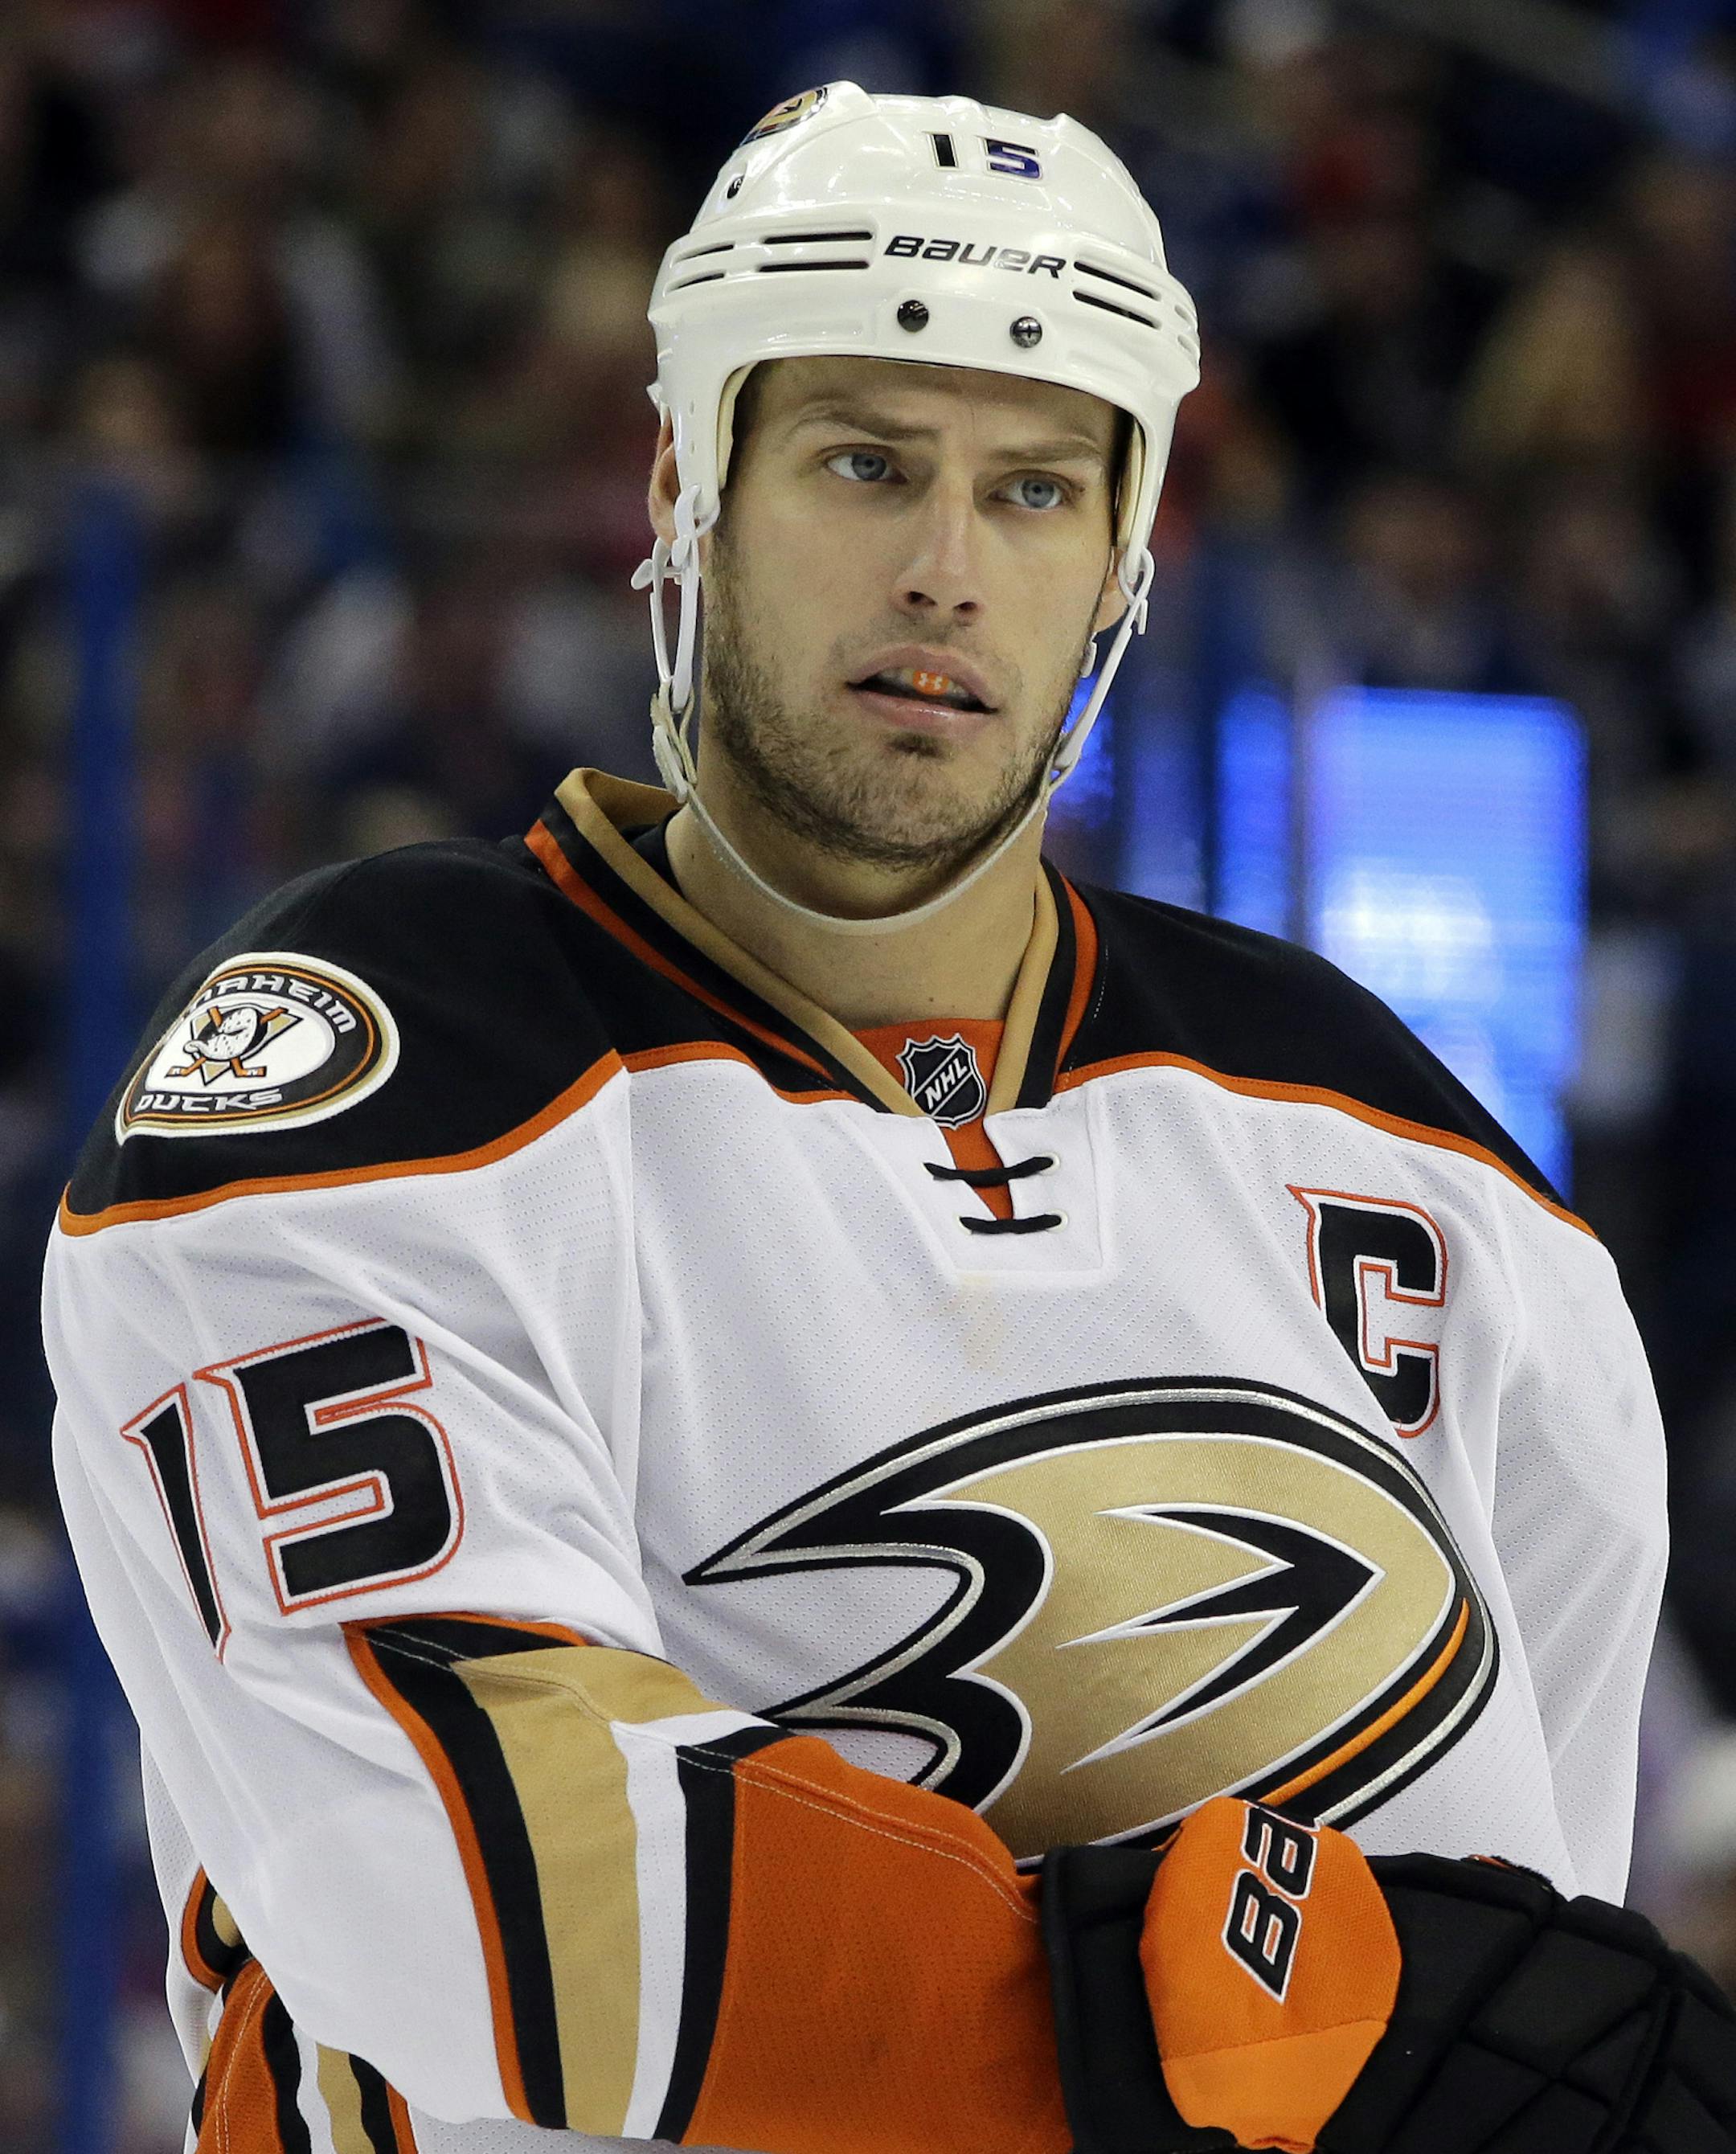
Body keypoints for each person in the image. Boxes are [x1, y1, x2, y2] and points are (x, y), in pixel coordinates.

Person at [44, 83, 1736, 2154]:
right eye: (867, 464)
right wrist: (1240, 2037)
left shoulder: (1412, 1158)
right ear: (689, 486)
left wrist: (1363, 2040)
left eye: (1034, 492)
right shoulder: (382, 1061)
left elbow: (1520, 1970)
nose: (947, 570)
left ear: (1123, 557)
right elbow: (503, 1891)